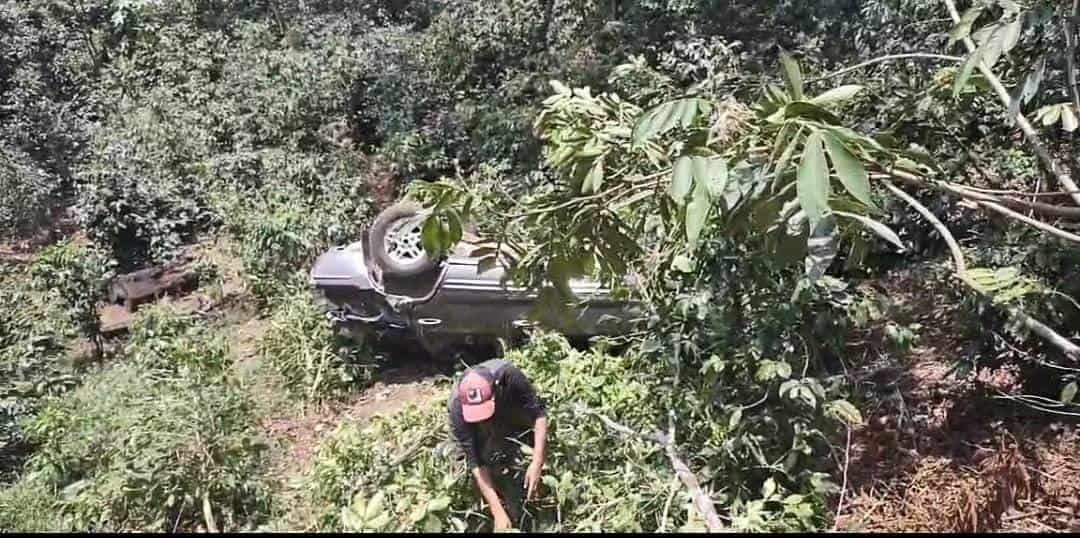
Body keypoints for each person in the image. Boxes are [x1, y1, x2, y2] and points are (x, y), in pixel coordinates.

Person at [447, 358, 548, 531]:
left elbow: (539, 416)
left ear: (495, 391)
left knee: (527, 436)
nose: (484, 421)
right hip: (472, 425)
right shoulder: (458, 409)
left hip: (506, 404)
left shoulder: (511, 378)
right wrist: (497, 511)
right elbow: (475, 462)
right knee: (470, 457)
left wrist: (537, 462)